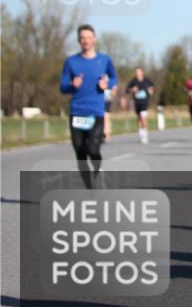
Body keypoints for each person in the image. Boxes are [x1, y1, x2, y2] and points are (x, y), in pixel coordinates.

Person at [60, 24, 118, 189]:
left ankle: (98, 171)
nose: (85, 40)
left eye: (88, 37)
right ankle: (90, 190)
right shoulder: (71, 62)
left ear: (94, 39)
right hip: (77, 112)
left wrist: (106, 84)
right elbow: (62, 86)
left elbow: (114, 79)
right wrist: (72, 84)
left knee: (93, 148)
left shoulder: (104, 60)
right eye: (82, 38)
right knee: (80, 154)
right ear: (79, 40)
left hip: (95, 112)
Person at [126, 67, 155, 144]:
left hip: (144, 102)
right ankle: (140, 133)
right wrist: (132, 89)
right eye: (136, 72)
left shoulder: (147, 80)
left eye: (139, 72)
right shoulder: (133, 81)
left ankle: (145, 135)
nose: (137, 73)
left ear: (142, 72)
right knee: (139, 118)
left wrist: (151, 90)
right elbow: (127, 90)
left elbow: (152, 88)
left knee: (143, 117)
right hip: (137, 102)